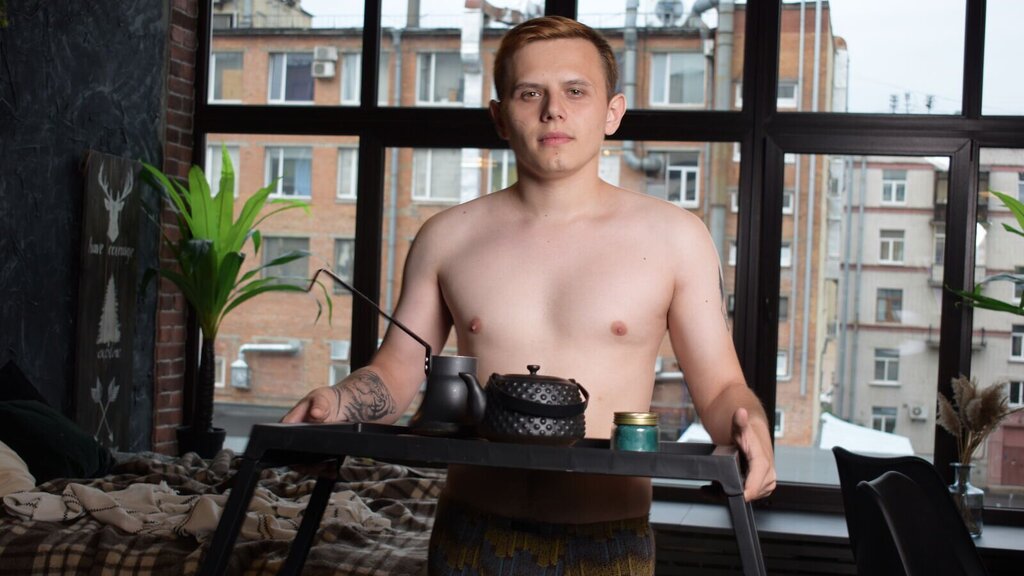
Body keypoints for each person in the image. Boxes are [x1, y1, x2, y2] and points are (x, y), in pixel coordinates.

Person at [284, 15, 776, 575]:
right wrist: (338, 402)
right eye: (530, 93)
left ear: (612, 112)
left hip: (607, 543)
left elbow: (720, 389)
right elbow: (396, 372)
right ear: (499, 116)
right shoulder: (446, 237)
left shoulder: (676, 238)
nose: (553, 111)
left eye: (576, 91)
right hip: (471, 533)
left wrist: (751, 426)